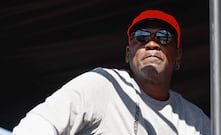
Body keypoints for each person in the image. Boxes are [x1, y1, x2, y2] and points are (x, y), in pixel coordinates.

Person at [12, 9, 210, 135]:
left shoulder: (195, 122)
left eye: (163, 37)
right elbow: (36, 125)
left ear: (178, 56)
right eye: (141, 37)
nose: (151, 44)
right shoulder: (104, 84)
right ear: (128, 53)